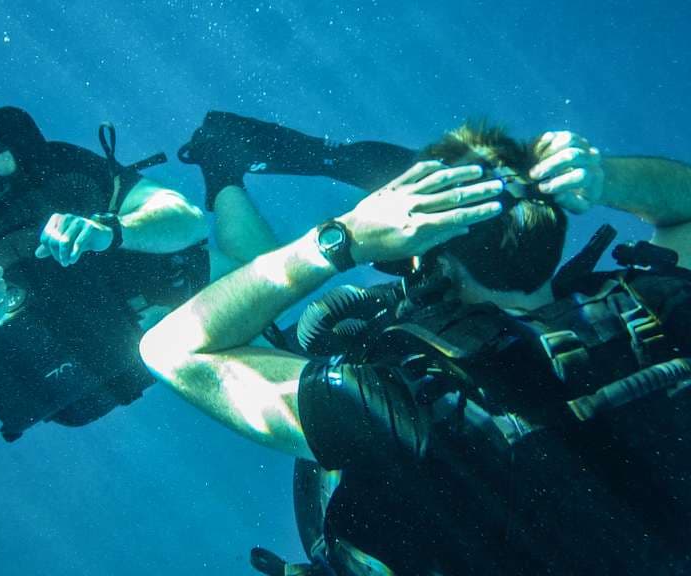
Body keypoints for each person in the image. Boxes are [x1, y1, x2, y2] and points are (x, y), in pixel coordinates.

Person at [141, 122, 691, 574]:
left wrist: (343, 238)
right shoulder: (657, 308)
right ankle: (222, 174)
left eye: (507, 179)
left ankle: (222, 175)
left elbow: (174, 349)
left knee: (277, 338)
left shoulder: (393, 401)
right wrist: (609, 179)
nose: (496, 189)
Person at [0, 88, 411, 445]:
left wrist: (112, 230)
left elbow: (180, 217)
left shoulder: (47, 167)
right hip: (64, 379)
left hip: (133, 303)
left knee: (264, 276)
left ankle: (223, 160)